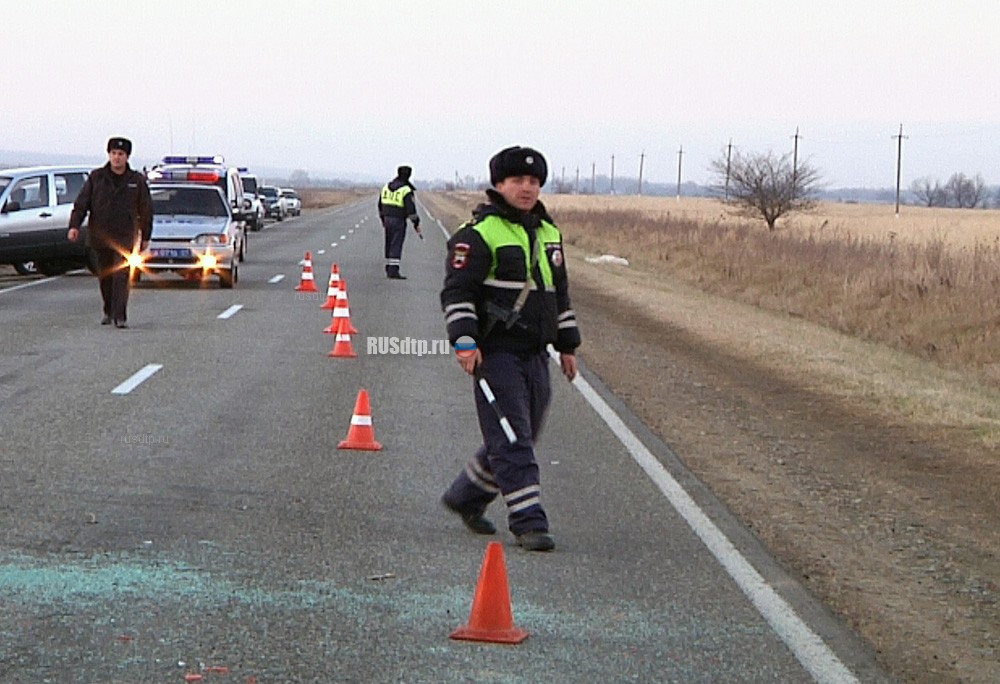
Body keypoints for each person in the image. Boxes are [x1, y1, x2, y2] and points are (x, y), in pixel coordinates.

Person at [440, 145, 581, 552]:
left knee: (522, 434)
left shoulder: (550, 234)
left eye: (534, 181)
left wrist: (567, 346)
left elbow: (560, 296)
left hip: (536, 354)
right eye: (518, 180)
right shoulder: (478, 236)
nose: (527, 188)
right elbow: (457, 294)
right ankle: (528, 521)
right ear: (498, 185)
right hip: (495, 354)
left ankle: (466, 495)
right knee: (512, 436)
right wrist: (465, 342)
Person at [68, 137, 152, 329]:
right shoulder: (96, 177)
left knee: (122, 274)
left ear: (127, 157)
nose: (117, 158)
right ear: (109, 155)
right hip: (100, 234)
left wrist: (146, 235)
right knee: (105, 274)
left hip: (124, 235)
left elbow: (146, 209)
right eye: (113, 153)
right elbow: (81, 204)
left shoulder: (136, 180)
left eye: (121, 154)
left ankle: (120, 315)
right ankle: (108, 310)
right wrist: (74, 226)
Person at [377, 165, 421, 279]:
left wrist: (382, 218)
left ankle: (388, 266)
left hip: (387, 218)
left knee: (389, 242)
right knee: (396, 244)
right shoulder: (406, 190)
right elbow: (411, 209)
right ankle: (393, 271)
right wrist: (416, 222)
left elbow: (380, 204)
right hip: (398, 220)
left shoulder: (386, 186)